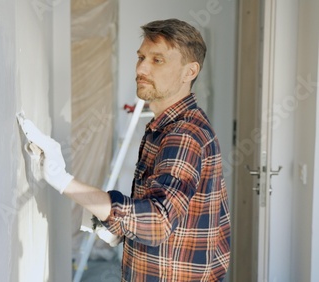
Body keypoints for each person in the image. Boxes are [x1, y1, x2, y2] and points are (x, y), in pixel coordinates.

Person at [18, 18, 230, 281]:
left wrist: (63, 180)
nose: (141, 68)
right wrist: (115, 224)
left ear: (190, 72)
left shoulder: (183, 134)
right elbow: (163, 212)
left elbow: (157, 221)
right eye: (141, 57)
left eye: (157, 60)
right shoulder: (163, 128)